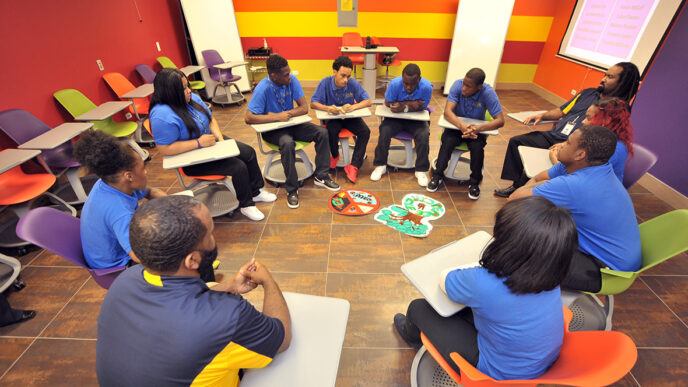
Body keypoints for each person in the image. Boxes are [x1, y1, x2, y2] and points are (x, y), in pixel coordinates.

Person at [96, 196, 291, 386]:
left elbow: (182, 304)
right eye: (210, 234)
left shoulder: (125, 280)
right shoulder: (228, 316)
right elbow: (281, 340)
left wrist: (229, 287)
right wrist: (268, 281)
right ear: (192, 260)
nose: (215, 238)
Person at [394, 196, 576, 380]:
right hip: (541, 362)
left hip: (496, 374)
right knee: (468, 309)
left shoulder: (485, 282)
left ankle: (412, 337)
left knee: (418, 308)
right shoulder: (549, 274)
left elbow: (446, 280)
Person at [510, 125, 641, 292]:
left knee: (516, 259)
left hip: (608, 270)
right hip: (607, 253)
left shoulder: (576, 184)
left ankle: (533, 314)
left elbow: (514, 199)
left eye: (568, 142)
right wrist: (544, 187)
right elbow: (537, 178)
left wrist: (541, 188)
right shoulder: (586, 167)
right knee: (531, 234)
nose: (562, 144)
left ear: (580, 154)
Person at [495, 62, 640, 197]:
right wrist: (543, 116)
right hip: (560, 137)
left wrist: (565, 147)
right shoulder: (588, 93)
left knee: (539, 168)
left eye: (610, 77)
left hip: (577, 155)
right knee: (518, 142)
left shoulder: (613, 113)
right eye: (605, 74)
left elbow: (578, 175)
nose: (603, 79)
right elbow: (562, 110)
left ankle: (526, 189)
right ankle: (517, 185)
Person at [149, 68, 275, 221]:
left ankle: (256, 192)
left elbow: (210, 119)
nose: (189, 91)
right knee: (238, 166)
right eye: (183, 88)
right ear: (170, 92)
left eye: (187, 85)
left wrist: (222, 142)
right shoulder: (161, 115)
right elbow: (165, 149)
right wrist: (198, 143)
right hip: (191, 158)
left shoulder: (192, 98)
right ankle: (246, 205)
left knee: (248, 152)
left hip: (210, 142)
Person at [245, 54, 340, 209]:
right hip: (272, 130)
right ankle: (292, 189)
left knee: (322, 133)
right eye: (286, 74)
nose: (290, 77)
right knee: (287, 144)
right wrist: (276, 117)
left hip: (291, 124)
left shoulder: (292, 81)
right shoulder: (263, 88)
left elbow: (304, 107)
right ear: (273, 76)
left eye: (289, 72)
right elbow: (248, 118)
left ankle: (321, 176)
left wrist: (287, 115)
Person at [74, 130, 167, 269]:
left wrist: (176, 205)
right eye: (143, 168)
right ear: (129, 176)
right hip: (117, 266)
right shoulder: (120, 212)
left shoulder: (112, 182)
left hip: (121, 245)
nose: (146, 172)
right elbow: (139, 256)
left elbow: (151, 192)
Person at [427, 68, 505, 199]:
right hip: (456, 126)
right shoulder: (457, 85)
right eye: (464, 84)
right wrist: (462, 126)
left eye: (468, 86)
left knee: (477, 148)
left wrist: (477, 129)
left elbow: (500, 121)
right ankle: (437, 176)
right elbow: (448, 112)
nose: (464, 89)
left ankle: (474, 183)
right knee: (448, 141)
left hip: (476, 130)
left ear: (479, 87)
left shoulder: (488, 92)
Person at [311, 56, 372, 183]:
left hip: (349, 117)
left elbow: (368, 101)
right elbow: (314, 103)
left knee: (365, 131)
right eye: (343, 75)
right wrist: (328, 108)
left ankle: (354, 166)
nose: (346, 80)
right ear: (334, 72)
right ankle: (334, 155)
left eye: (348, 76)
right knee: (331, 130)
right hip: (333, 118)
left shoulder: (353, 83)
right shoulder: (325, 83)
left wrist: (354, 107)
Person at [371, 63, 434, 186]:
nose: (409, 87)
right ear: (402, 78)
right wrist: (412, 104)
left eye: (413, 84)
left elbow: (423, 106)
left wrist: (403, 106)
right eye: (406, 83)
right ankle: (380, 165)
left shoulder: (427, 87)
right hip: (396, 118)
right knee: (384, 130)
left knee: (424, 134)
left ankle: (420, 170)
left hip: (416, 119)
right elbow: (388, 103)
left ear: (419, 80)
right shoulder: (394, 84)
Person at [549, 97, 633, 182]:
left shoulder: (612, 149)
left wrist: (554, 159)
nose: (583, 122)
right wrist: (567, 145)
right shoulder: (599, 139)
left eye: (589, 118)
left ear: (605, 121)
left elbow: (578, 179)